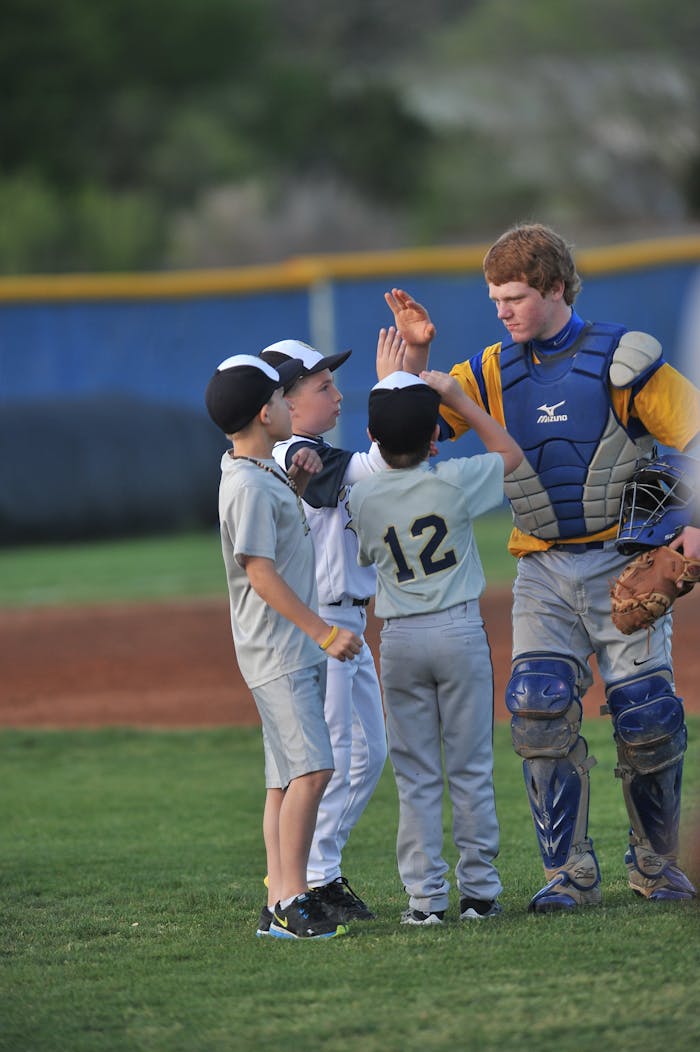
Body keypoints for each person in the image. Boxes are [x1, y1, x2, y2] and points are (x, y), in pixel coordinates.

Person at [385, 221, 700, 912]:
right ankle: (569, 874)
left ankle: (656, 865)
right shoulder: (488, 371)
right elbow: (410, 438)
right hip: (543, 571)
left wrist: (695, 524)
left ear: (556, 287)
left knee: (647, 716)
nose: (502, 311)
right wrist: (413, 359)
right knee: (537, 707)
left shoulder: (623, 358)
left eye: (516, 297)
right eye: (495, 299)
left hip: (624, 558)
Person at [348, 367, 523, 924]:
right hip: (457, 631)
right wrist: (460, 401)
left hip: (398, 639)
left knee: (416, 775)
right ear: (432, 438)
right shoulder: (455, 480)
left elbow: (364, 554)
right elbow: (510, 453)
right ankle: (479, 895)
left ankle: (424, 902)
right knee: (469, 768)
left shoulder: (361, 497)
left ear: (373, 439)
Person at [204, 353, 363, 940]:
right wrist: (321, 631)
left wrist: (294, 483)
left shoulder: (259, 471)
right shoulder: (246, 484)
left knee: (284, 777)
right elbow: (260, 574)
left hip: (281, 651)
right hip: (280, 651)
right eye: (277, 398)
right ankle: (294, 899)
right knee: (315, 770)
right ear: (262, 412)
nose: (284, 404)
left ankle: (277, 897)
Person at [258, 332, 401, 922]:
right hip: (320, 632)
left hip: (342, 625)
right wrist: (396, 383)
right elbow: (311, 471)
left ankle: (316, 873)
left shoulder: (310, 450)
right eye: (324, 386)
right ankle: (308, 879)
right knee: (340, 757)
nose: (338, 396)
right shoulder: (291, 454)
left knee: (362, 753)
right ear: (286, 402)